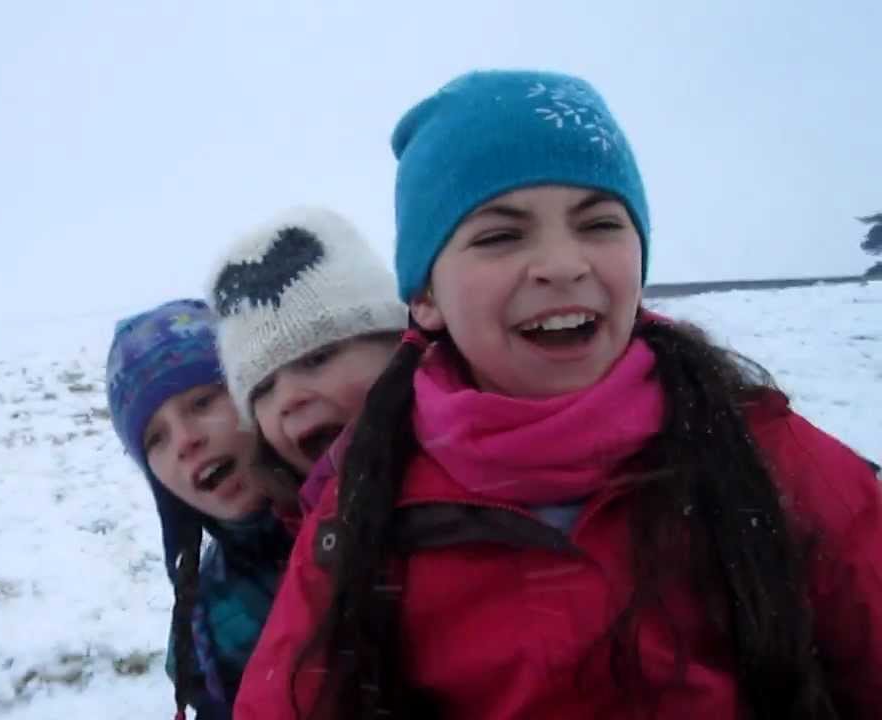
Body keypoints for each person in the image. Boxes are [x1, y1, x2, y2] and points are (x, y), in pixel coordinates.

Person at [234, 69, 882, 719]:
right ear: (425, 297)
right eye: (500, 235)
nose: (563, 263)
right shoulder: (364, 506)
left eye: (599, 224)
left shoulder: (767, 455)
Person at [105, 298, 292, 719]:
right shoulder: (203, 628)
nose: (185, 441)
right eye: (156, 438)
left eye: (203, 403)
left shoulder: (378, 510)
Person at [204, 206, 408, 526]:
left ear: (398, 344)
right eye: (264, 388)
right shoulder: (307, 552)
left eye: (317, 359)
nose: (288, 399)